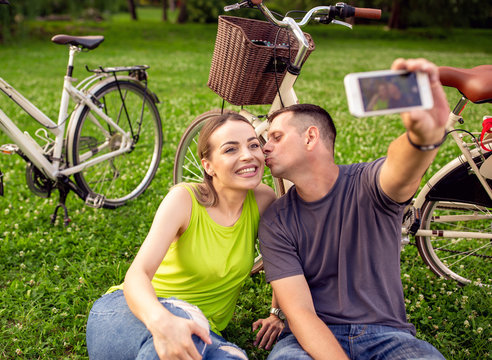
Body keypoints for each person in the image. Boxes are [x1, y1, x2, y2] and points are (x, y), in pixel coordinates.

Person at [258, 58, 448, 360]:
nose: (265, 147)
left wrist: (422, 138)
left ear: (310, 137)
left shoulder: (368, 183)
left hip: (388, 336)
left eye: (276, 137)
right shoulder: (276, 219)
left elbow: (400, 169)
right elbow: (301, 314)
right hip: (308, 340)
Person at [86, 113, 284, 360]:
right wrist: (163, 322)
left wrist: (276, 312)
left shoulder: (263, 200)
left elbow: (283, 258)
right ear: (208, 165)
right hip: (131, 312)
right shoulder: (185, 200)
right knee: (176, 338)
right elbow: (137, 275)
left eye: (253, 145)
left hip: (202, 331)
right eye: (231, 149)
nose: (248, 155)